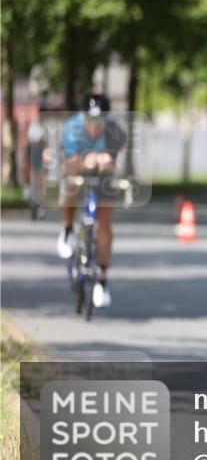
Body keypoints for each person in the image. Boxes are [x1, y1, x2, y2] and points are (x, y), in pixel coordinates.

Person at [56, 93, 126, 308]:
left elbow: (113, 164)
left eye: (100, 121)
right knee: (70, 184)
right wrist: (86, 162)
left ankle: (102, 279)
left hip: (102, 176)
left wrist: (107, 162)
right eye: (91, 120)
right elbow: (70, 163)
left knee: (105, 221)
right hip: (77, 168)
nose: (95, 126)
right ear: (83, 116)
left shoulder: (116, 131)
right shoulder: (71, 128)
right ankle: (67, 228)